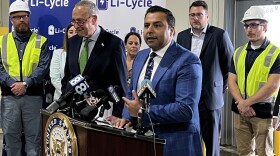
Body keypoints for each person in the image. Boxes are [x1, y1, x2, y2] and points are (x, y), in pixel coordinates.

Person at [114, 5, 203, 156]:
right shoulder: (140, 57)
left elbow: (185, 110)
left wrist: (142, 112)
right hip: (142, 141)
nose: (150, 30)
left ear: (171, 30)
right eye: (147, 25)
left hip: (175, 144)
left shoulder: (187, 61)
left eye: (157, 25)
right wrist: (127, 117)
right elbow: (131, 94)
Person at [176, 1, 233, 155]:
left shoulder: (220, 35)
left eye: (199, 15)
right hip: (187, 98)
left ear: (207, 16)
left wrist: (219, 88)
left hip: (210, 98)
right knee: (190, 140)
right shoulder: (182, 37)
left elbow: (230, 66)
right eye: (192, 15)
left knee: (212, 142)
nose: (195, 18)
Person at [0, 0, 50, 155]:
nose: (21, 20)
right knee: (10, 138)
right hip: (10, 97)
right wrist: (12, 84)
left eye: (24, 16)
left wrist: (26, 84)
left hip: (33, 97)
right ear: (11, 19)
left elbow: (43, 68)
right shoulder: (2, 41)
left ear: (29, 17)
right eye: (17, 17)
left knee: (33, 139)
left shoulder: (41, 41)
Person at [61, 0, 127, 118]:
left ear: (94, 19)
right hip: (74, 110)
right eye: (74, 21)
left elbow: (120, 84)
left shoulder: (114, 44)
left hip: (101, 111)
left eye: (80, 21)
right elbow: (68, 77)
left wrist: (118, 115)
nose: (75, 26)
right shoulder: (73, 42)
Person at [228, 6, 280, 156]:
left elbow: (273, 86)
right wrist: (242, 103)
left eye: (254, 25)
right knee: (244, 152)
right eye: (246, 25)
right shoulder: (238, 52)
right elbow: (231, 81)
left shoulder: (276, 53)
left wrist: (246, 103)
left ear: (264, 27)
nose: (249, 29)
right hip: (240, 111)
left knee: (264, 152)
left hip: (262, 113)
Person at [50, 23, 76, 101]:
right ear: (67, 35)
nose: (74, 34)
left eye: (76, 32)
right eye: (71, 32)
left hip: (83, 100)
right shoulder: (58, 53)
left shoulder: (85, 53)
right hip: (62, 98)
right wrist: (68, 92)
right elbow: (55, 79)